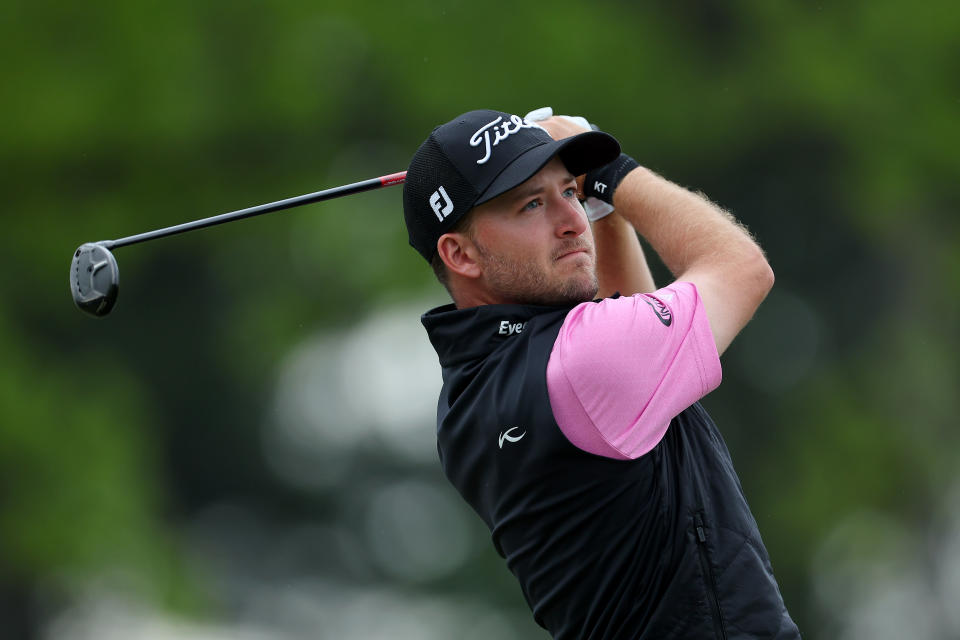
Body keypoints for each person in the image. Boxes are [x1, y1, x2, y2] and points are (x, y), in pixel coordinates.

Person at [402, 108, 800, 639]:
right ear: (461, 254)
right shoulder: (580, 362)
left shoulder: (468, 397)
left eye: (570, 192)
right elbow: (742, 269)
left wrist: (603, 209)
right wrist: (615, 172)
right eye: (532, 204)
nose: (571, 221)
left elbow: (641, 359)